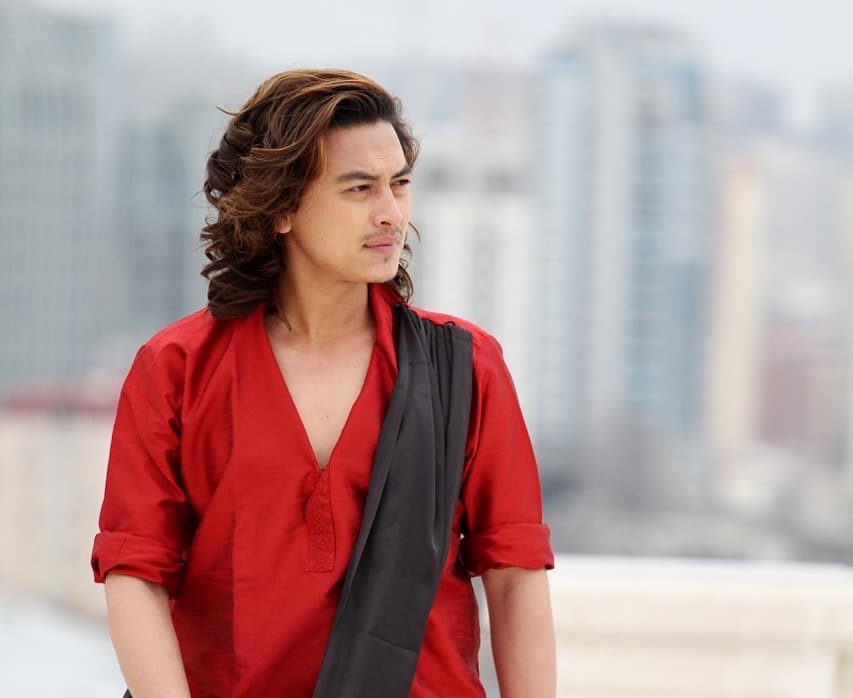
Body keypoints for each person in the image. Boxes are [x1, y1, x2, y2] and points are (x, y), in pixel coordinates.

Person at [91, 68, 556, 698]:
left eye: (399, 185)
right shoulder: (176, 370)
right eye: (359, 188)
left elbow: (515, 573)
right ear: (281, 207)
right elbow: (135, 572)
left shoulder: (464, 366)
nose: (391, 214)